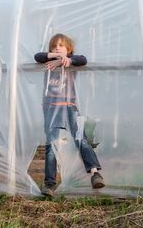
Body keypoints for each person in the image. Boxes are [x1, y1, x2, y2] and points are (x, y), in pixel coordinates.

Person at [34, 33, 104, 197]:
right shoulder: (48, 61)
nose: (57, 48)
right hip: (51, 108)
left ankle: (95, 173)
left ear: (69, 49)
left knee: (81, 139)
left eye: (61, 45)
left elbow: (83, 59)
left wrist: (68, 60)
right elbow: (37, 56)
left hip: (70, 107)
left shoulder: (72, 61)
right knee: (52, 145)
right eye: (54, 46)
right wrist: (55, 57)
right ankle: (49, 184)